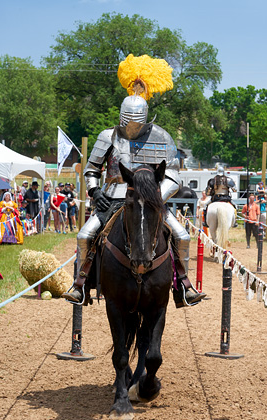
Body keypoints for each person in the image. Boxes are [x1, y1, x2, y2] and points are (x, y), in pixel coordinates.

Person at [63, 54, 207, 308]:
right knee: (85, 235)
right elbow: (91, 170)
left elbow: (173, 175)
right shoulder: (107, 136)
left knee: (182, 236)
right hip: (111, 199)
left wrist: (152, 198)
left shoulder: (161, 137)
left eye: (135, 122)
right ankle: (80, 285)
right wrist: (96, 192)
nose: (130, 127)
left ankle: (184, 285)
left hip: (151, 202)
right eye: (126, 121)